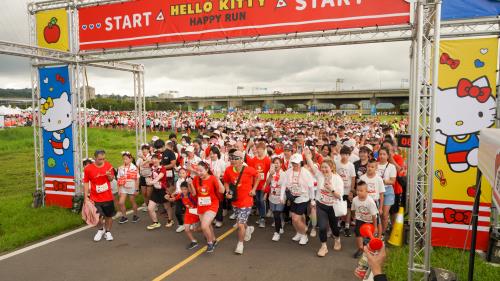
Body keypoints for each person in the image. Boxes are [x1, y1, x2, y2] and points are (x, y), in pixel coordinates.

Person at [305, 150, 344, 257]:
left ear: (332, 167)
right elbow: (312, 167)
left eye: (326, 167)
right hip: (321, 205)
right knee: (322, 227)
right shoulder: (320, 175)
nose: (324, 169)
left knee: (334, 227)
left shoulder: (338, 179)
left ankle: (337, 239)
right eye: (322, 167)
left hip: (333, 207)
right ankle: (323, 246)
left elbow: (339, 195)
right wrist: (308, 157)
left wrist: (331, 189)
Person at [223, 150, 259, 255]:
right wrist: (227, 191)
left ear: (241, 160)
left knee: (240, 224)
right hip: (235, 201)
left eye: (236, 158)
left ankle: (240, 244)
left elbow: (258, 176)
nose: (233, 160)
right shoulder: (228, 170)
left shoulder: (249, 170)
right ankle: (249, 228)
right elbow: (226, 181)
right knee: (241, 221)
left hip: (246, 201)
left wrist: (254, 189)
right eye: (232, 158)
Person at [190, 161, 223, 253]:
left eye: (201, 171)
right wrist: (190, 184)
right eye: (197, 171)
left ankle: (209, 243)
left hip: (212, 204)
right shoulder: (196, 178)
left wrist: (218, 179)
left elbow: (222, 191)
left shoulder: (212, 178)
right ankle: (213, 239)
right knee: (207, 225)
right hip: (201, 205)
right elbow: (193, 193)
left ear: (207, 169)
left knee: (204, 226)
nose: (199, 173)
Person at [83, 150, 116, 242]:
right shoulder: (88, 169)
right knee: (96, 217)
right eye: (100, 159)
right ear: (94, 158)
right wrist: (86, 197)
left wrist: (110, 176)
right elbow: (86, 183)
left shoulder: (108, 165)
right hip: (95, 197)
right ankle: (100, 230)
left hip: (107, 196)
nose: (102, 161)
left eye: (103, 159)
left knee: (109, 216)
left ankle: (108, 232)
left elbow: (111, 179)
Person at [282, 153, 315, 245]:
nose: (294, 165)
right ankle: (299, 232)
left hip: (303, 198)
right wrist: (282, 196)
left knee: (296, 218)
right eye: (293, 163)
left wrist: (312, 199)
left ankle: (304, 234)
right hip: (293, 198)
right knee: (294, 218)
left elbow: (311, 186)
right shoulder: (289, 171)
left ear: (300, 162)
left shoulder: (305, 172)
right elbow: (284, 184)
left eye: (296, 163)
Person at [167, 181, 201, 250]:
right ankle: (194, 241)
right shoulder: (181, 195)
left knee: (196, 229)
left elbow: (194, 193)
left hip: (195, 213)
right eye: (182, 189)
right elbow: (173, 199)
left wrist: (191, 184)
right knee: (186, 228)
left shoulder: (191, 195)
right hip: (188, 213)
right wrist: (168, 198)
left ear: (188, 189)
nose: (183, 191)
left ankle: (206, 230)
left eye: (185, 189)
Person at [247, 141, 271, 228]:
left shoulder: (267, 160)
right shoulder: (254, 160)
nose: (259, 151)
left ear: (264, 150)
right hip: (255, 185)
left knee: (261, 201)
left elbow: (269, 173)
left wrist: (267, 184)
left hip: (263, 184)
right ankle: (261, 216)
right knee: (257, 201)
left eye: (261, 149)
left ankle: (262, 218)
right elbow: (250, 171)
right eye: (258, 149)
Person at [352, 181, 378, 259]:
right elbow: (353, 210)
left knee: (370, 235)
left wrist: (375, 227)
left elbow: (374, 216)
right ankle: (360, 248)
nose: (358, 192)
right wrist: (354, 218)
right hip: (360, 218)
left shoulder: (370, 202)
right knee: (357, 231)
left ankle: (372, 245)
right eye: (357, 190)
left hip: (370, 220)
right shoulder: (355, 200)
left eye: (361, 191)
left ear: (366, 191)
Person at [146, 154, 173, 230]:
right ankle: (155, 223)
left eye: (156, 159)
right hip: (155, 190)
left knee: (167, 206)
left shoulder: (163, 168)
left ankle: (170, 220)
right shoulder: (152, 167)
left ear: (160, 160)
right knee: (150, 208)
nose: (154, 160)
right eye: (153, 159)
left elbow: (159, 177)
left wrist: (151, 182)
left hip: (163, 190)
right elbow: (143, 164)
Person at [360, 159, 385, 236]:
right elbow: (359, 191)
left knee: (378, 221)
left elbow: (381, 195)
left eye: (372, 167)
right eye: (368, 166)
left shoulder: (379, 179)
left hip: (375, 202)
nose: (370, 168)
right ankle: (367, 237)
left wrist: (380, 208)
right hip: (364, 202)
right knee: (365, 220)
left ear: (376, 168)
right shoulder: (362, 178)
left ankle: (379, 238)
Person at [264, 157, 286, 241]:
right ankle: (280, 227)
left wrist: (284, 197)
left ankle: (276, 233)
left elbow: (285, 187)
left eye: (278, 163)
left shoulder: (284, 174)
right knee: (275, 214)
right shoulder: (270, 172)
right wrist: (270, 174)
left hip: (280, 197)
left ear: (281, 164)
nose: (276, 164)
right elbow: (267, 184)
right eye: (274, 163)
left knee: (277, 214)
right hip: (272, 197)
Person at [336, 145, 356, 237]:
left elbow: (353, 178)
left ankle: (347, 227)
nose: (344, 156)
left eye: (347, 154)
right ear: (340, 155)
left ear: (349, 155)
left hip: (347, 190)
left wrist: (351, 191)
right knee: (337, 207)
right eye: (343, 154)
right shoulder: (337, 163)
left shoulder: (351, 165)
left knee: (348, 209)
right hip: (338, 190)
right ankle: (338, 224)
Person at [377, 147, 397, 237]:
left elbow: (393, 181)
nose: (382, 156)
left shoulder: (391, 166)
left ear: (388, 156)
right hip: (376, 192)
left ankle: (383, 234)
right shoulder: (375, 165)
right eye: (380, 154)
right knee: (378, 214)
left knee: (385, 215)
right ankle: (378, 232)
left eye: (384, 154)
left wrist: (382, 181)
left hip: (387, 191)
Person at [116, 151, 140, 224]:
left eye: (126, 159)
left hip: (132, 187)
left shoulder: (134, 167)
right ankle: (124, 216)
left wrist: (136, 189)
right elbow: (118, 178)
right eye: (123, 159)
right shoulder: (120, 168)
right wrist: (119, 189)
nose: (124, 160)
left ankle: (135, 215)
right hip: (123, 187)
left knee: (132, 201)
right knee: (121, 202)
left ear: (131, 159)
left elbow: (137, 179)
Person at [137, 144, 153, 211]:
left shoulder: (151, 157)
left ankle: (152, 205)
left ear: (148, 150)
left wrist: (145, 160)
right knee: (144, 193)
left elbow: (150, 163)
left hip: (149, 177)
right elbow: (138, 166)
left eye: (145, 151)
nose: (144, 153)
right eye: (143, 151)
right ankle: (147, 205)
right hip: (142, 177)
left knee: (149, 193)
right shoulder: (139, 158)